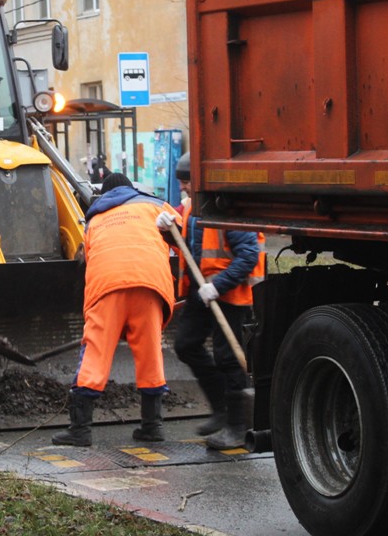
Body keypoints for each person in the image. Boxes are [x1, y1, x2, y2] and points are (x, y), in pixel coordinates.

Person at [52, 172, 180, 447]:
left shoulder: (95, 220)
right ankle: (152, 425)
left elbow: (89, 258)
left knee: (96, 353)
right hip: (150, 284)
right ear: (130, 190)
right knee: (150, 353)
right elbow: (180, 235)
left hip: (108, 286)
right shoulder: (155, 206)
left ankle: (80, 430)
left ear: (105, 197)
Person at [161, 152, 265, 450]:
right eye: (181, 183)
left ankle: (237, 425)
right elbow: (189, 246)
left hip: (229, 295)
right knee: (186, 345)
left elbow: (248, 256)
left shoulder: (227, 211)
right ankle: (221, 408)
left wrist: (217, 286)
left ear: (200, 181)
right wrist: (167, 231)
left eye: (186, 183)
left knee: (228, 357)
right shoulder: (193, 209)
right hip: (200, 291)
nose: (183, 189)